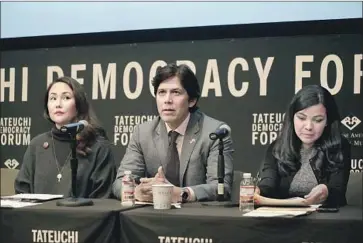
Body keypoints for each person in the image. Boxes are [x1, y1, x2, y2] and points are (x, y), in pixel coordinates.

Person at [112, 63, 234, 203]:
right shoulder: (142, 133)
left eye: (176, 92)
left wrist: (182, 194)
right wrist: (135, 192)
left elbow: (220, 188)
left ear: (192, 100)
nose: (167, 100)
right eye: (161, 92)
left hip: (198, 219)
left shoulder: (214, 133)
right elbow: (119, 182)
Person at [14, 76, 116, 198]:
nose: (58, 104)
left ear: (78, 105)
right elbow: (22, 191)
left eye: (66, 98)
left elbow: (102, 199)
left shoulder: (98, 147)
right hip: (38, 216)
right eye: (53, 98)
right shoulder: (37, 145)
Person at [256, 85, 351, 207]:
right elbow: (268, 185)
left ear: (327, 121)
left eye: (318, 120)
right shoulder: (276, 148)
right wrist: (259, 191)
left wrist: (327, 191)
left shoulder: (340, 147)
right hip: (282, 221)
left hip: (325, 221)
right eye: (301, 118)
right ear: (292, 117)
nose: (309, 126)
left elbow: (338, 192)